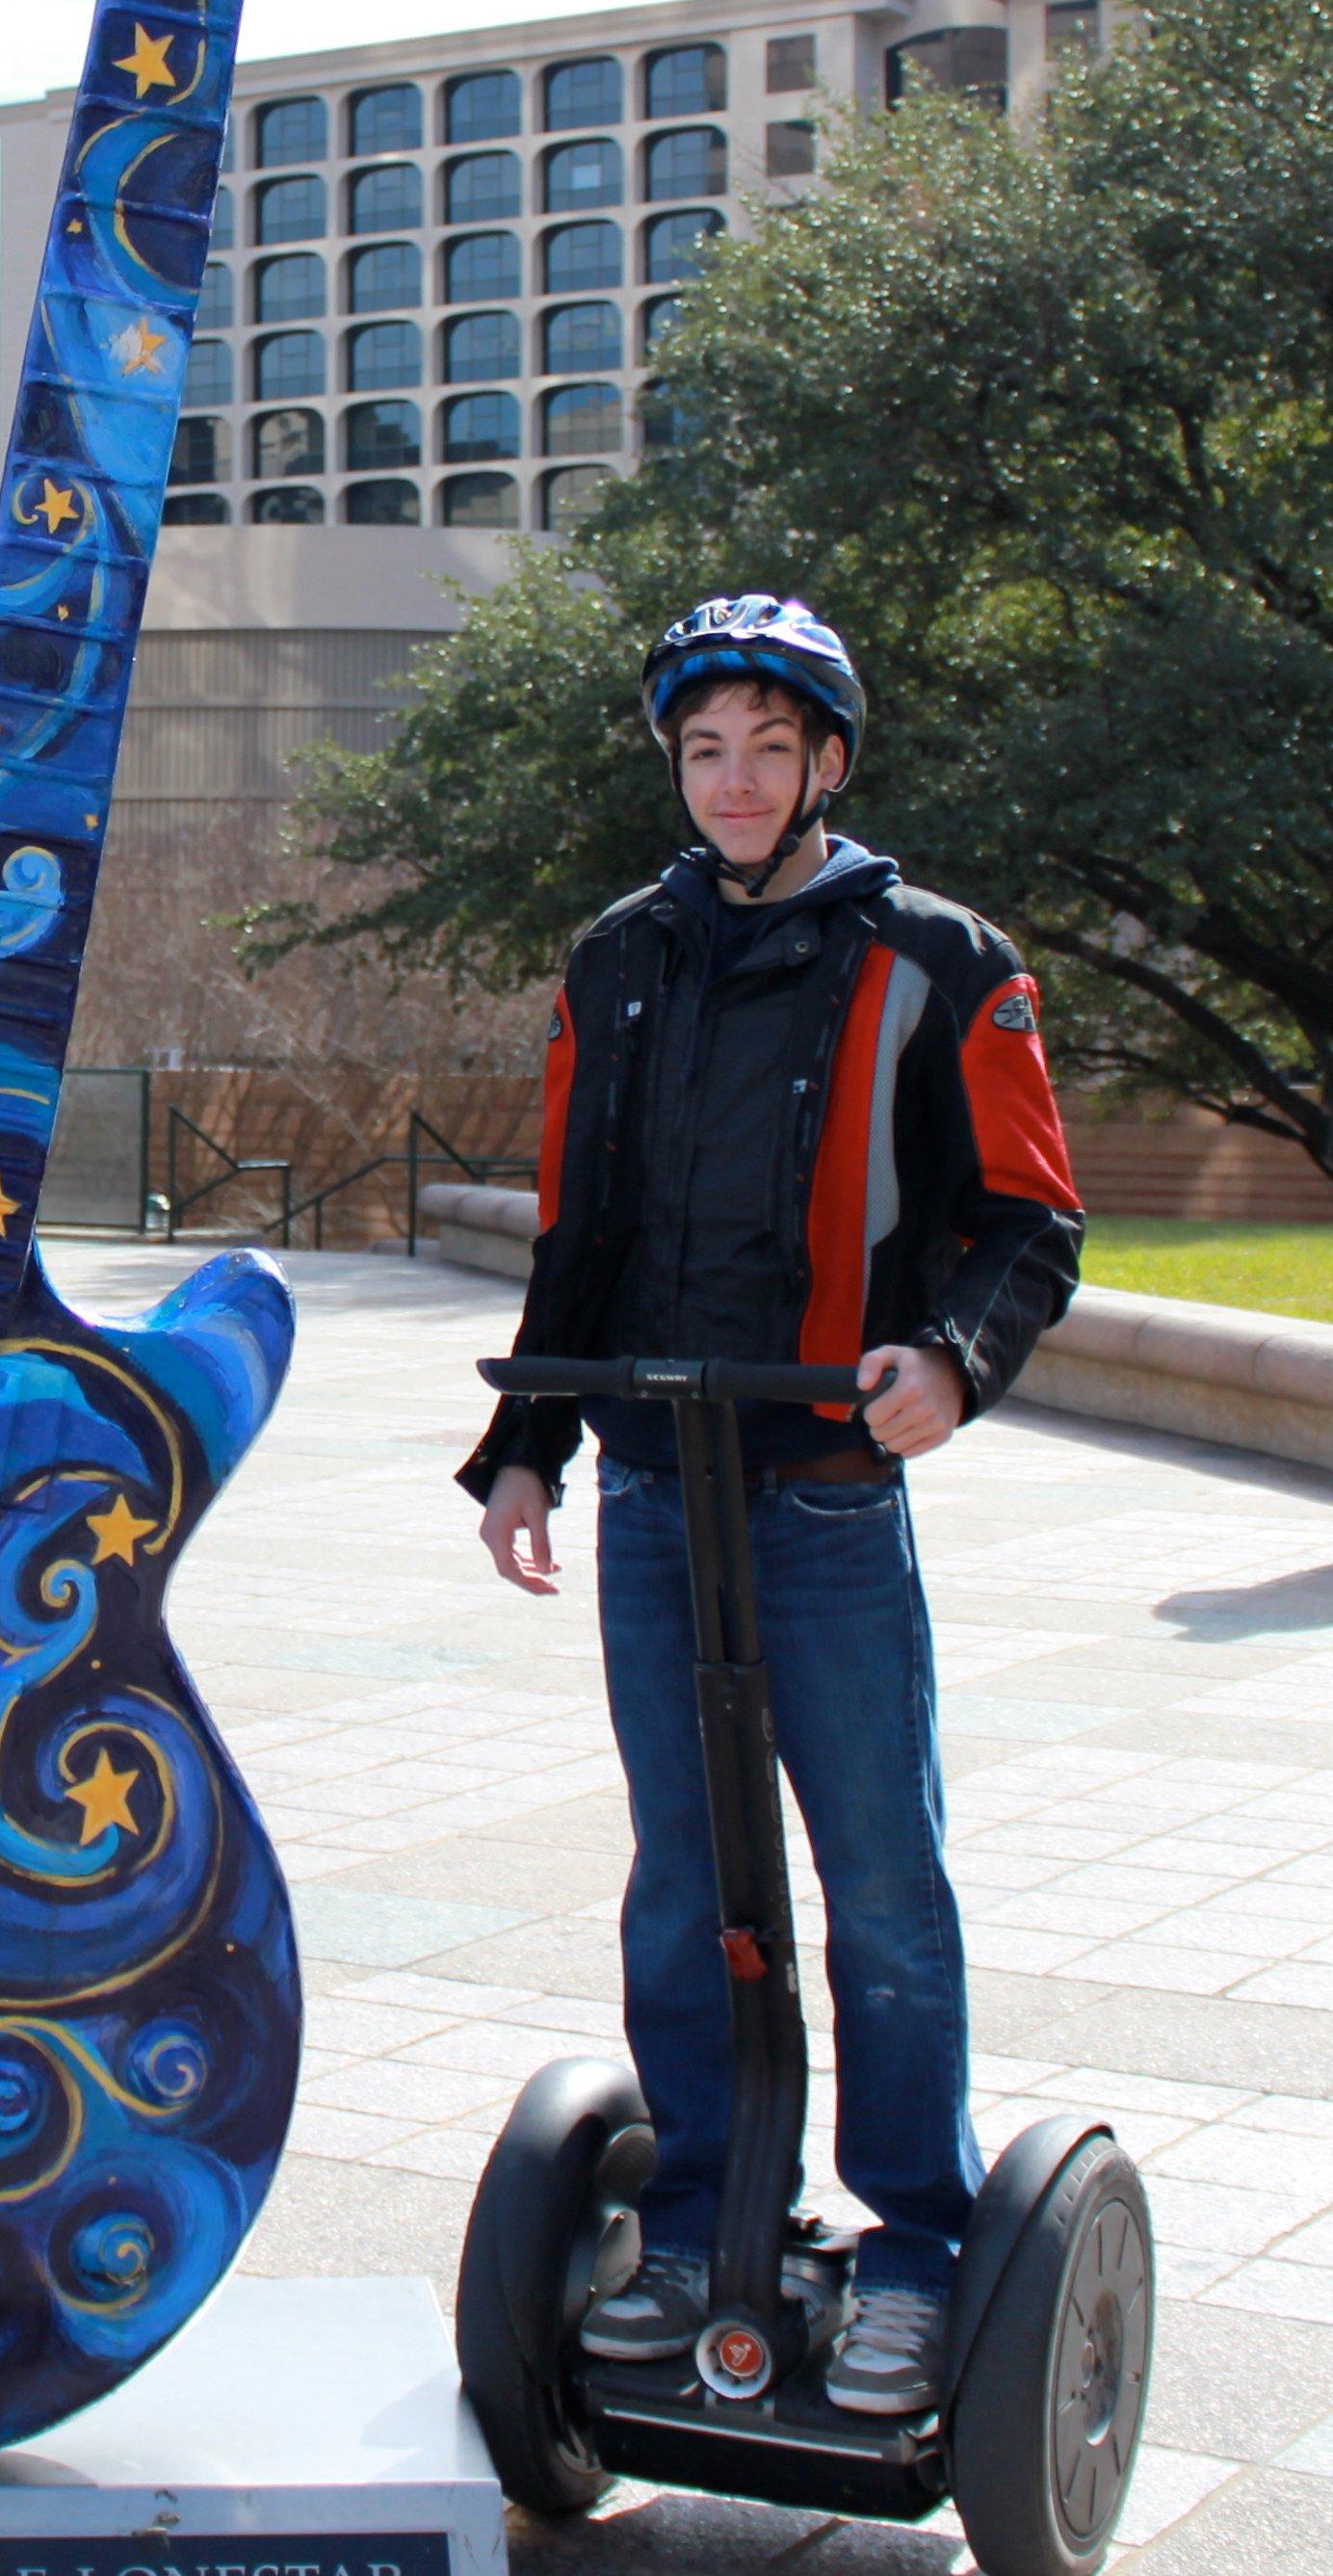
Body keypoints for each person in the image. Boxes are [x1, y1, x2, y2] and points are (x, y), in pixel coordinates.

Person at [463, 594, 1083, 2418]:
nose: (731, 779)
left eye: (765, 746)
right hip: (661, 1487)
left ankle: (917, 2245)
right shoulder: (616, 959)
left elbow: (1030, 1217)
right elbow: (578, 1227)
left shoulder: (938, 961)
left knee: (877, 1881)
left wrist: (950, 1358)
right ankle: (697, 2222)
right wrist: (528, 1443)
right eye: (702, 748)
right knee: (683, 1878)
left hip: (820, 1497)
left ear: (826, 762)